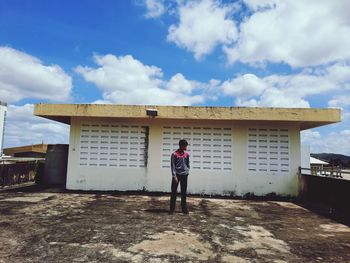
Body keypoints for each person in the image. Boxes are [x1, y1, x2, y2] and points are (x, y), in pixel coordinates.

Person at [169, 139, 190, 214]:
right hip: (177, 175)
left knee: (184, 192)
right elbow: (173, 166)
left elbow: (188, 164)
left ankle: (184, 208)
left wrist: (187, 171)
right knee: (174, 192)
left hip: (184, 175)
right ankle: (172, 209)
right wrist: (174, 176)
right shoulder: (174, 154)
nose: (186, 147)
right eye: (185, 146)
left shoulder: (187, 155)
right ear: (181, 146)